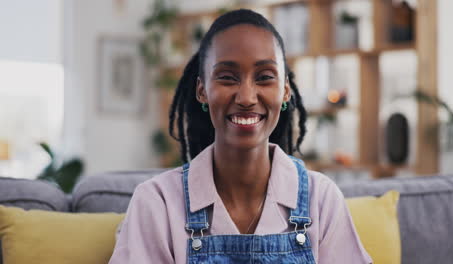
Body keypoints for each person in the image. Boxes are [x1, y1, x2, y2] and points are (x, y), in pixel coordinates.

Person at [109, 9, 372, 264]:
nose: (246, 97)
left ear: (285, 91)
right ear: (202, 90)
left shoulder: (321, 199)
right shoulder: (158, 203)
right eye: (227, 77)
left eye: (265, 77)